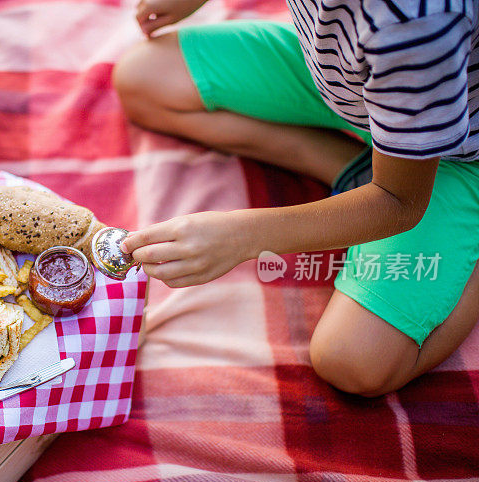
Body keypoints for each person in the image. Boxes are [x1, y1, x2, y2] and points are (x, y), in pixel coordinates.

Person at [113, 0, 479, 396]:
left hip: (451, 155)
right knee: (142, 76)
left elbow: (400, 201)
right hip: (342, 82)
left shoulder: (418, 23)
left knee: (354, 361)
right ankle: (352, 169)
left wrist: (243, 236)